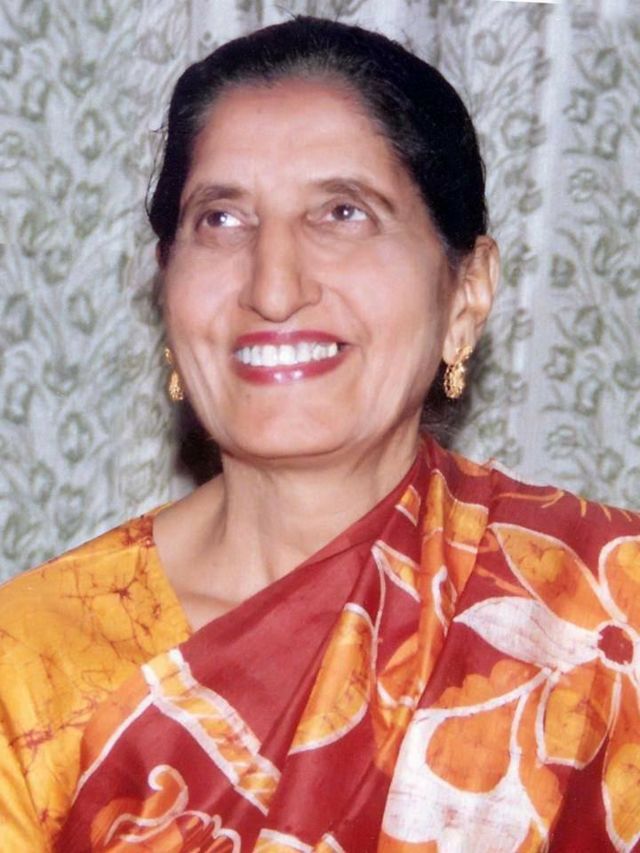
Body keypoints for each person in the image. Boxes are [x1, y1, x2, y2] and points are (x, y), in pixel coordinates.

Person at [1, 15, 639, 853]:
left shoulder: (605, 612)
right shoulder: (31, 665)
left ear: (467, 292)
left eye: (343, 212)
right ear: (167, 290)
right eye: (221, 219)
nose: (273, 288)